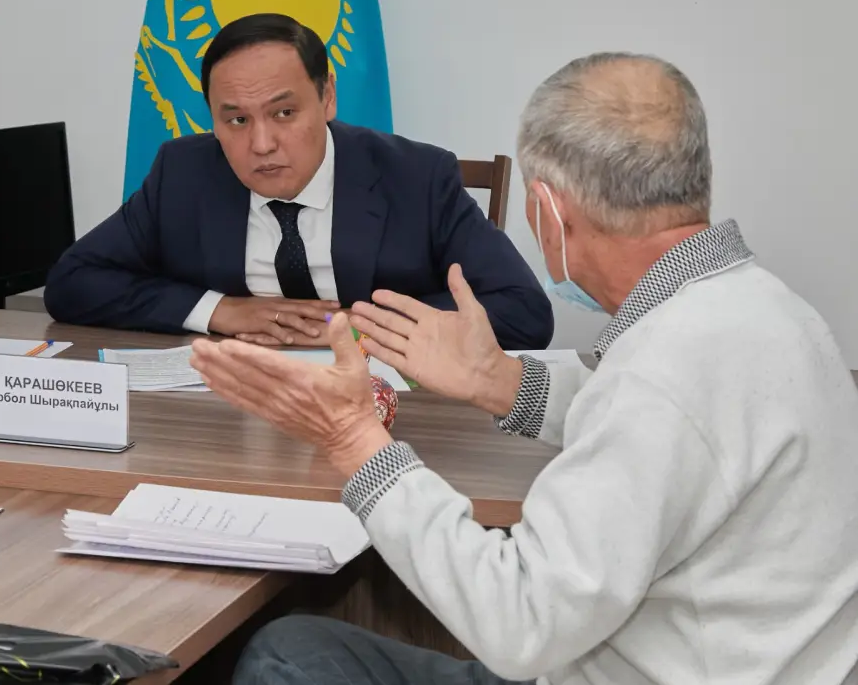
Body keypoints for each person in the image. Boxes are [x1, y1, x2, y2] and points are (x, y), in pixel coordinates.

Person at [189, 52, 858, 684]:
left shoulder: (666, 370)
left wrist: (354, 440)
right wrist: (501, 381)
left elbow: (520, 623)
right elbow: (667, 429)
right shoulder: (767, 310)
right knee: (297, 647)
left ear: (547, 210)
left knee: (284, 660)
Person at [43, 13, 552, 350]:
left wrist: (352, 327)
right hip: (234, 416)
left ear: (327, 97)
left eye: (284, 113)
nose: (262, 144)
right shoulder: (183, 172)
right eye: (236, 120)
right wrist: (221, 311)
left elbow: (523, 312)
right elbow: (73, 282)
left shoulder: (417, 178)